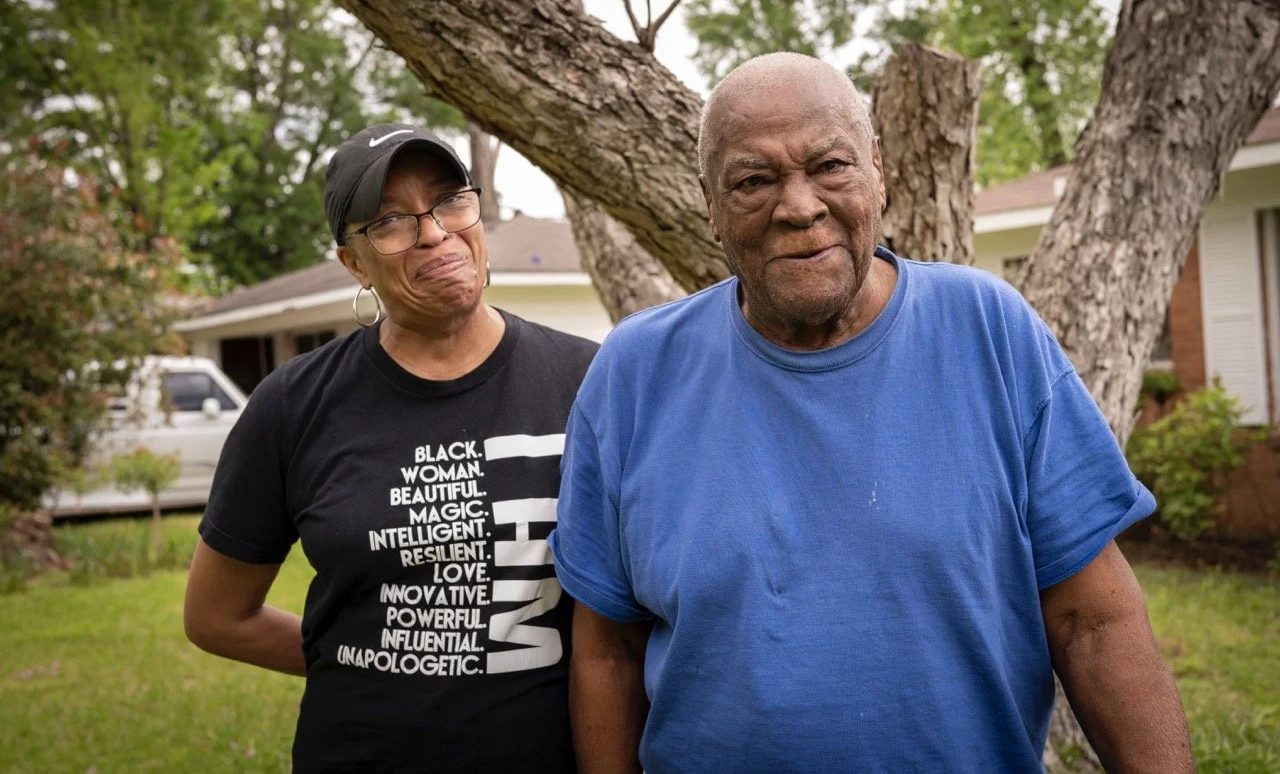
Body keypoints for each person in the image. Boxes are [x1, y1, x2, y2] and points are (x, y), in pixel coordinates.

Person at [549, 53, 1194, 773]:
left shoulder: (989, 331)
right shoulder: (635, 373)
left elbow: (1093, 623)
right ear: (710, 203)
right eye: (754, 180)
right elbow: (608, 651)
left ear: (878, 170)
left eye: (830, 165)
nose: (798, 206)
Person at [184, 123, 596, 772]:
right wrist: (361, 663)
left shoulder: (589, 383)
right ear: (354, 262)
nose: (434, 232)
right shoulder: (293, 405)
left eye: (449, 201)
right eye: (390, 222)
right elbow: (215, 616)